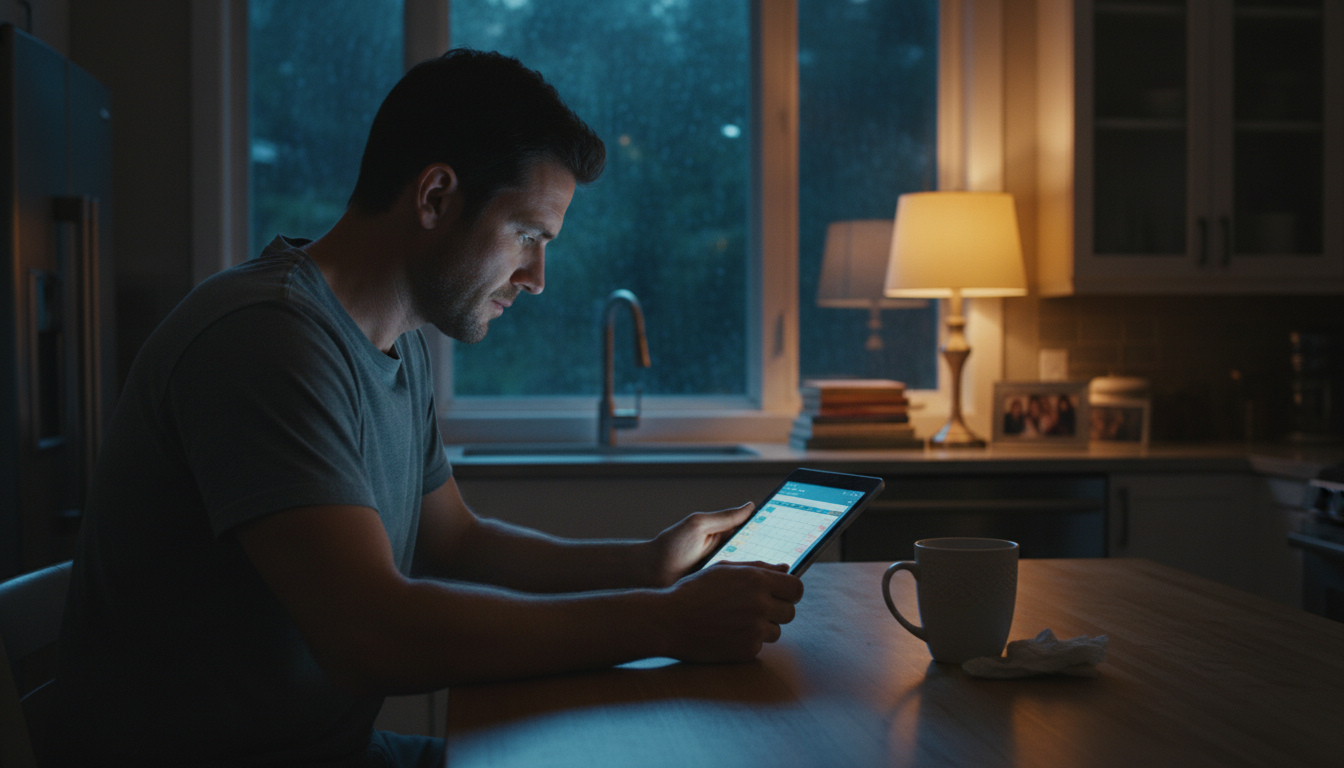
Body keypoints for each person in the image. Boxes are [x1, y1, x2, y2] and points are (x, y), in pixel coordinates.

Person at [51, 49, 802, 768]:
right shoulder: (265, 340)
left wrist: (645, 566)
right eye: (528, 236)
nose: (537, 277)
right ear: (436, 196)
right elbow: (371, 634)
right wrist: (667, 620)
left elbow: (454, 542)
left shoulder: (394, 341)